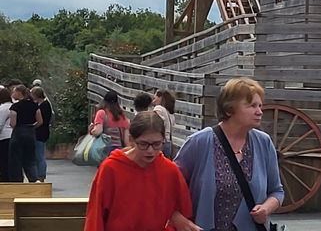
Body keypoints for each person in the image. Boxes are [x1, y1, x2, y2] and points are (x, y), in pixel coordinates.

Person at [173, 78, 284, 231]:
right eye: (252, 106)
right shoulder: (200, 142)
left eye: (260, 106)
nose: (259, 112)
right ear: (229, 109)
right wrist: (181, 221)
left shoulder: (263, 142)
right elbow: (169, 187)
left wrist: (266, 208)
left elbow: (277, 191)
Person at [84, 111, 197, 231]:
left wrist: (176, 218)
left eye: (157, 144)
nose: (150, 151)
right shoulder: (111, 169)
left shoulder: (170, 171)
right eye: (143, 144)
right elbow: (95, 217)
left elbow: (183, 214)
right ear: (131, 140)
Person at [8, 84, 42, 182]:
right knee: (30, 158)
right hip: (30, 132)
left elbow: (13, 123)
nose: (12, 93)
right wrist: (31, 127)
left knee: (16, 158)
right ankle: (34, 179)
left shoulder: (15, 106)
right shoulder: (34, 105)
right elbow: (40, 121)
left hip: (18, 132)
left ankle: (17, 180)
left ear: (19, 93)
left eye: (14, 91)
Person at [91, 90, 130, 158]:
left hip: (104, 150)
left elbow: (98, 131)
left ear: (104, 101)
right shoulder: (122, 116)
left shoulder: (102, 113)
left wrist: (91, 130)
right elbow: (126, 141)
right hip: (119, 150)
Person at [30, 86, 53, 182]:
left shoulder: (43, 105)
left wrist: (32, 127)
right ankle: (40, 174)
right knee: (39, 154)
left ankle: (41, 175)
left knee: (39, 155)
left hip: (40, 132)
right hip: (43, 131)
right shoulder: (44, 104)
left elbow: (41, 121)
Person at [153, 89, 177, 158]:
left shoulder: (158, 108)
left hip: (160, 142)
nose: (153, 100)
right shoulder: (170, 113)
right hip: (168, 142)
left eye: (155, 97)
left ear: (160, 98)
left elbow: (155, 124)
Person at [0, 87, 12, 181]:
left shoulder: (3, 108)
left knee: (4, 159)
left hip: (4, 136)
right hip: (13, 135)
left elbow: (0, 124)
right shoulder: (13, 105)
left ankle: (5, 179)